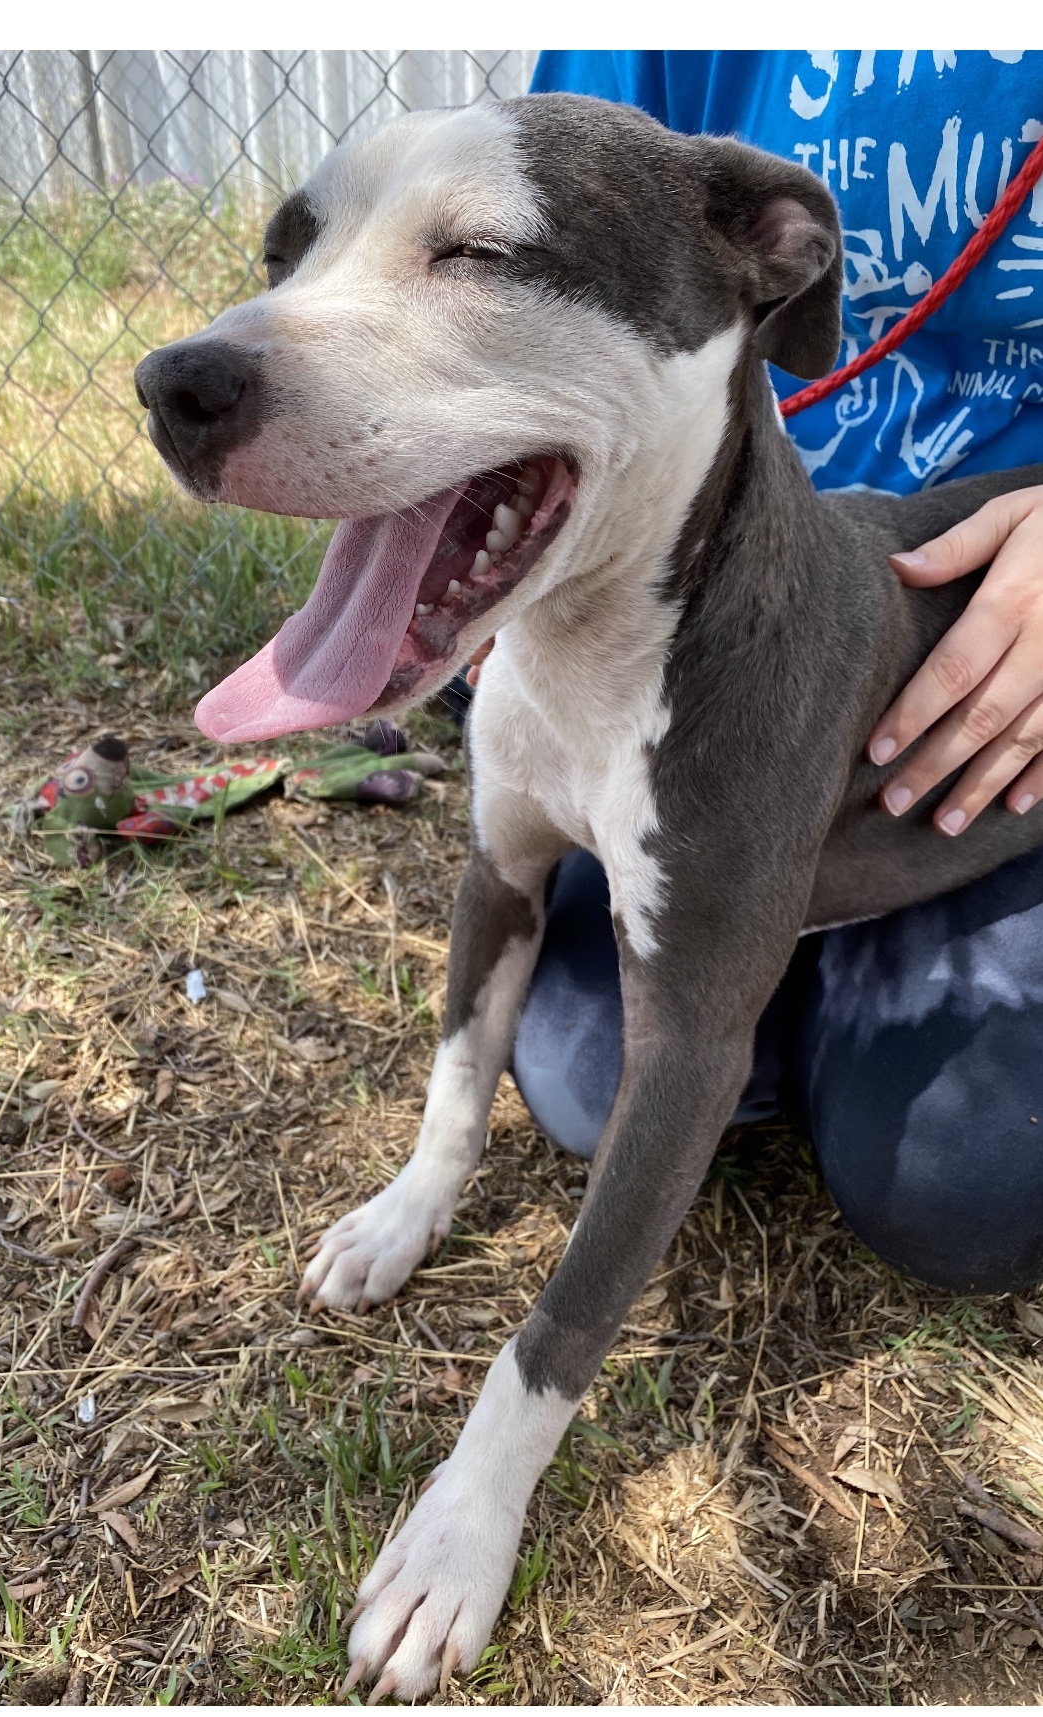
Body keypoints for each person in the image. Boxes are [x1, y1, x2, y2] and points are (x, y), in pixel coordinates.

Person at [491, 51, 1043, 1294]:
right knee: (590, 1082)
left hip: (1002, 633)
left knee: (957, 1175)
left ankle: (822, 957)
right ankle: (782, 966)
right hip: (745, 585)